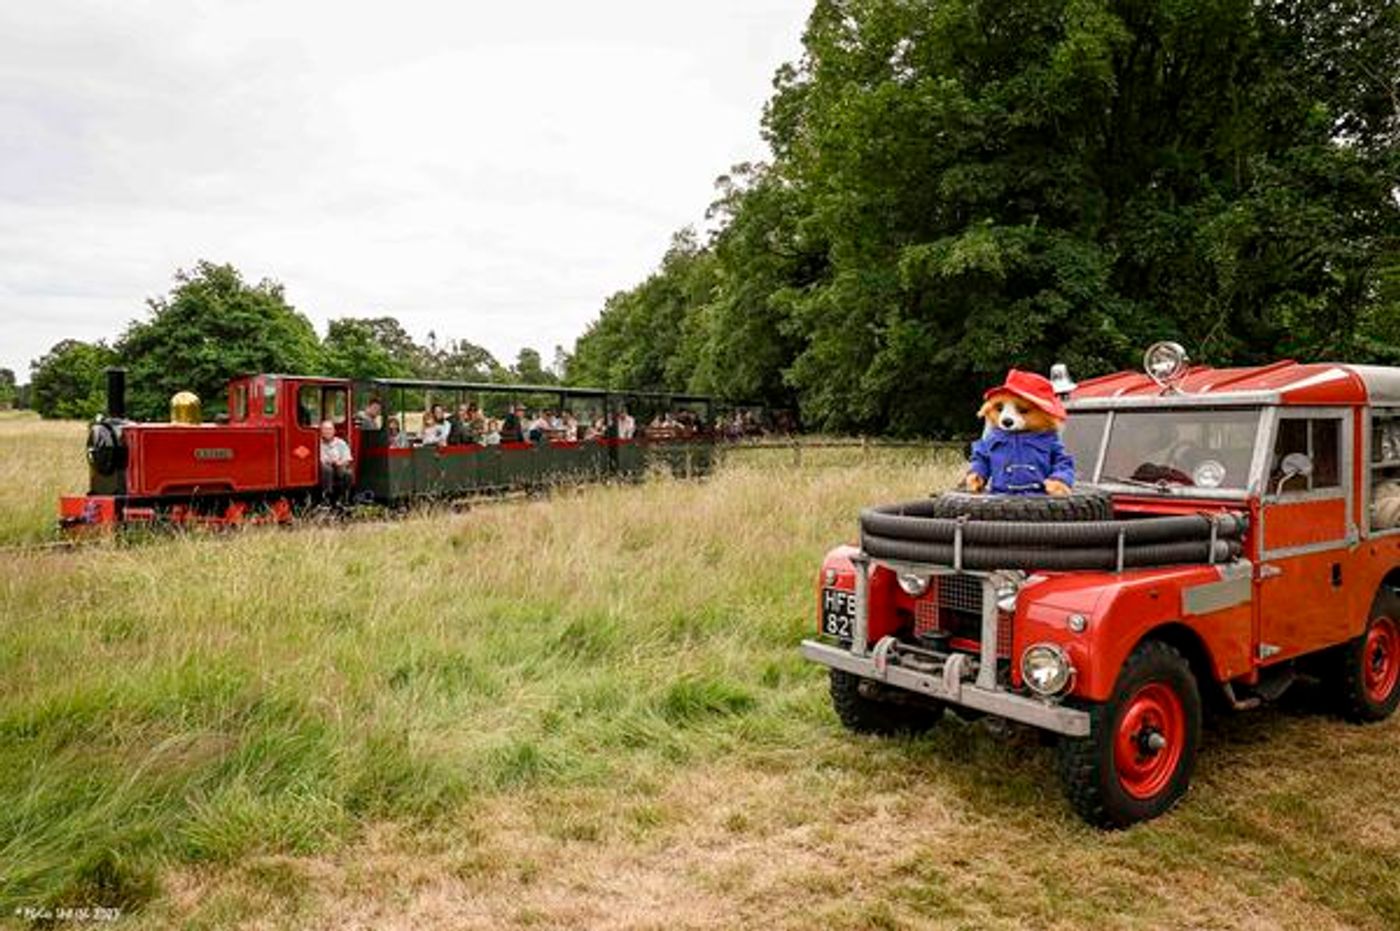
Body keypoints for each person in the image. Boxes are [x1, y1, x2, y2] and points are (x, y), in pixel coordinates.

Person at [318, 420, 353, 505]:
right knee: (327, 469)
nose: (327, 431)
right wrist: (329, 461)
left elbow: (347, 458)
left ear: (334, 431)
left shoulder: (341, 443)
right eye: (325, 429)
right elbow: (319, 458)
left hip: (338, 466)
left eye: (329, 429)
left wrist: (340, 463)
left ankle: (343, 498)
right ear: (321, 431)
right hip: (323, 467)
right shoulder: (317, 442)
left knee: (348, 473)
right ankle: (327, 497)